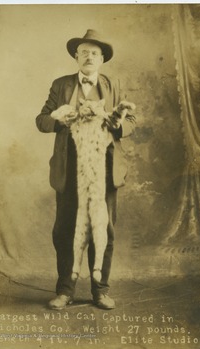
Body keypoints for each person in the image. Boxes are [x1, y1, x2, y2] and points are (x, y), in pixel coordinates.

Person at [36, 29, 136, 310]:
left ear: (102, 58)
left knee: (104, 229)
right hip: (70, 168)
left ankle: (100, 291)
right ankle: (65, 291)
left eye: (94, 53)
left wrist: (118, 125)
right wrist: (58, 119)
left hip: (105, 167)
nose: (89, 57)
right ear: (76, 57)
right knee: (65, 229)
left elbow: (132, 120)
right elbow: (41, 120)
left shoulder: (113, 84)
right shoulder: (61, 86)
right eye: (84, 52)